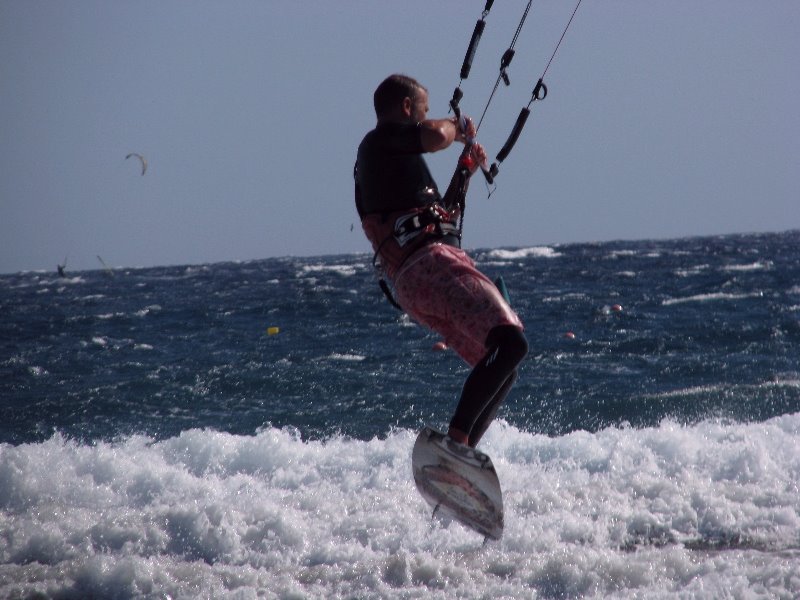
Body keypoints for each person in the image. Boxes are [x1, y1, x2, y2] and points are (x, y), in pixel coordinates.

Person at [354, 74, 528, 448]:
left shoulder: (388, 163)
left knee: (503, 363)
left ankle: (460, 454)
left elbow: (437, 218)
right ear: (406, 108)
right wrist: (458, 128)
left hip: (419, 281)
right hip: (430, 265)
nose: (426, 118)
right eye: (423, 111)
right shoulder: (379, 141)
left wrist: (464, 169)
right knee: (511, 344)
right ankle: (457, 441)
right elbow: (435, 137)